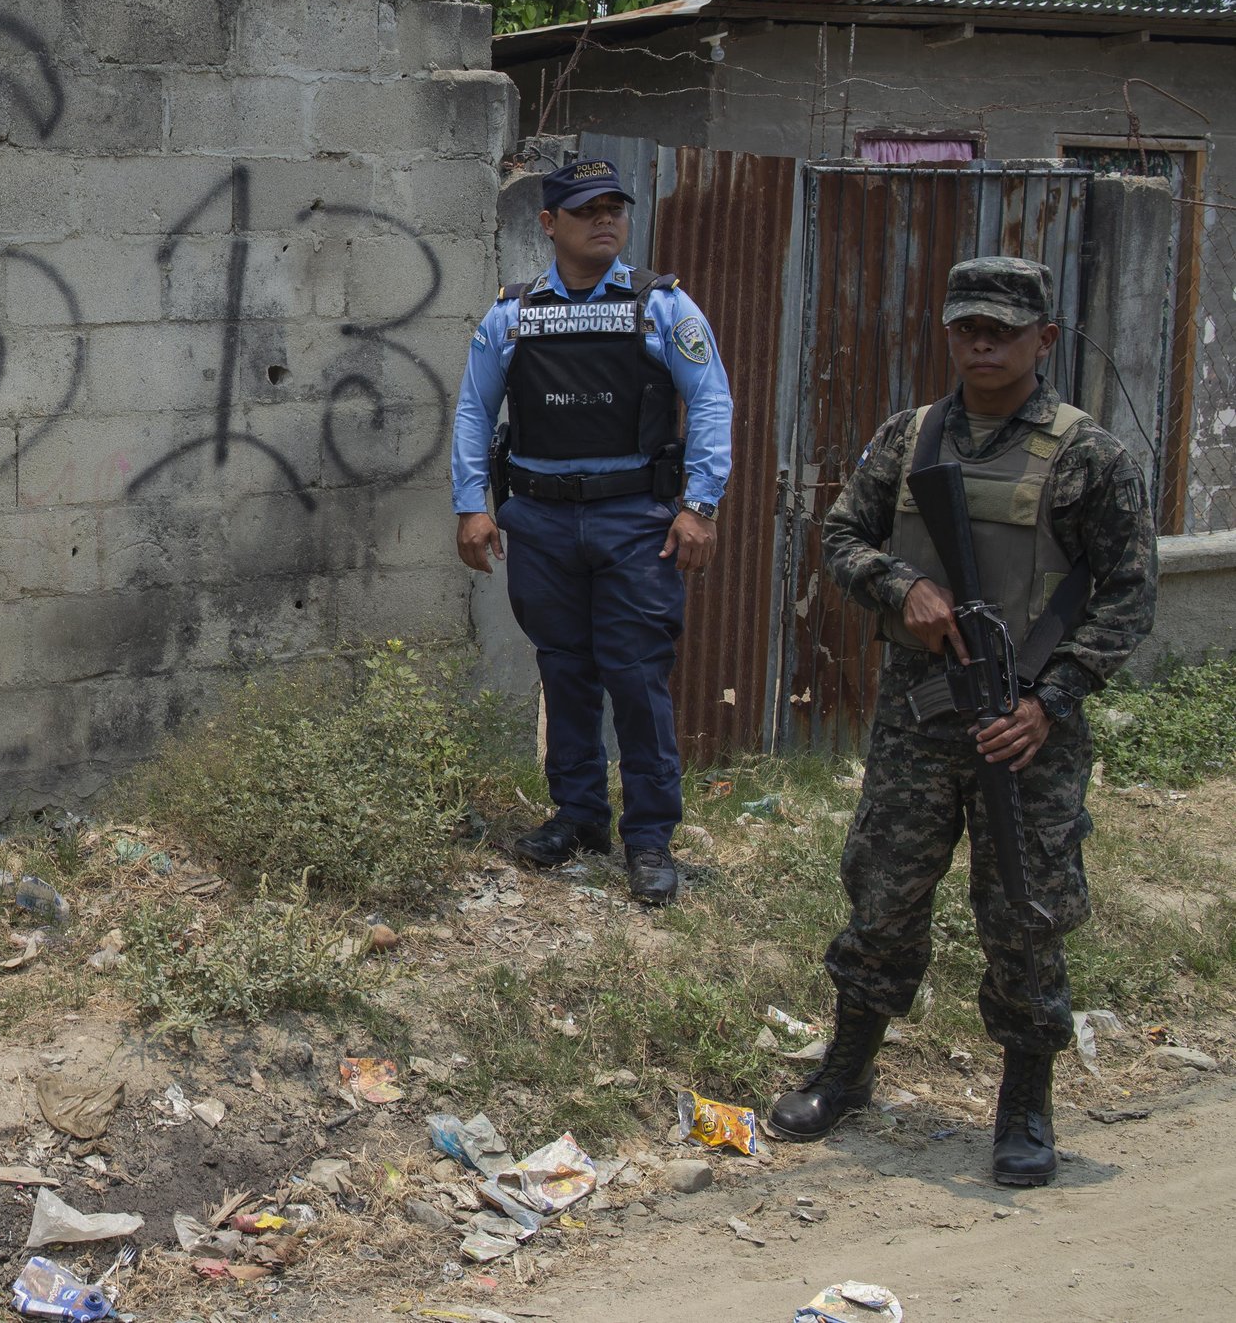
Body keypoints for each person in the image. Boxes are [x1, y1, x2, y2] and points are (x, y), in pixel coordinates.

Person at [768, 257, 1155, 1188]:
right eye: (966, 327)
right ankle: (848, 1068)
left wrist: (1048, 703)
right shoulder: (910, 438)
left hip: (1026, 732)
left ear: (1044, 340)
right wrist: (904, 587)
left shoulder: (1090, 456)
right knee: (883, 893)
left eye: (1003, 330)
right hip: (918, 717)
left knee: (1024, 911)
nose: (982, 344)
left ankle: (1025, 1101)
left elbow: (1130, 594)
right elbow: (840, 539)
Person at [450, 158, 732, 905]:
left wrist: (700, 506)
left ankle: (649, 838)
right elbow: (475, 412)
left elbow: (710, 404)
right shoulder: (510, 316)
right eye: (587, 209)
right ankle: (578, 815)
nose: (605, 219)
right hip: (539, 519)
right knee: (564, 668)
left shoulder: (664, 308)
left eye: (615, 206)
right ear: (549, 225)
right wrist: (471, 505)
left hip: (635, 520)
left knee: (637, 676)